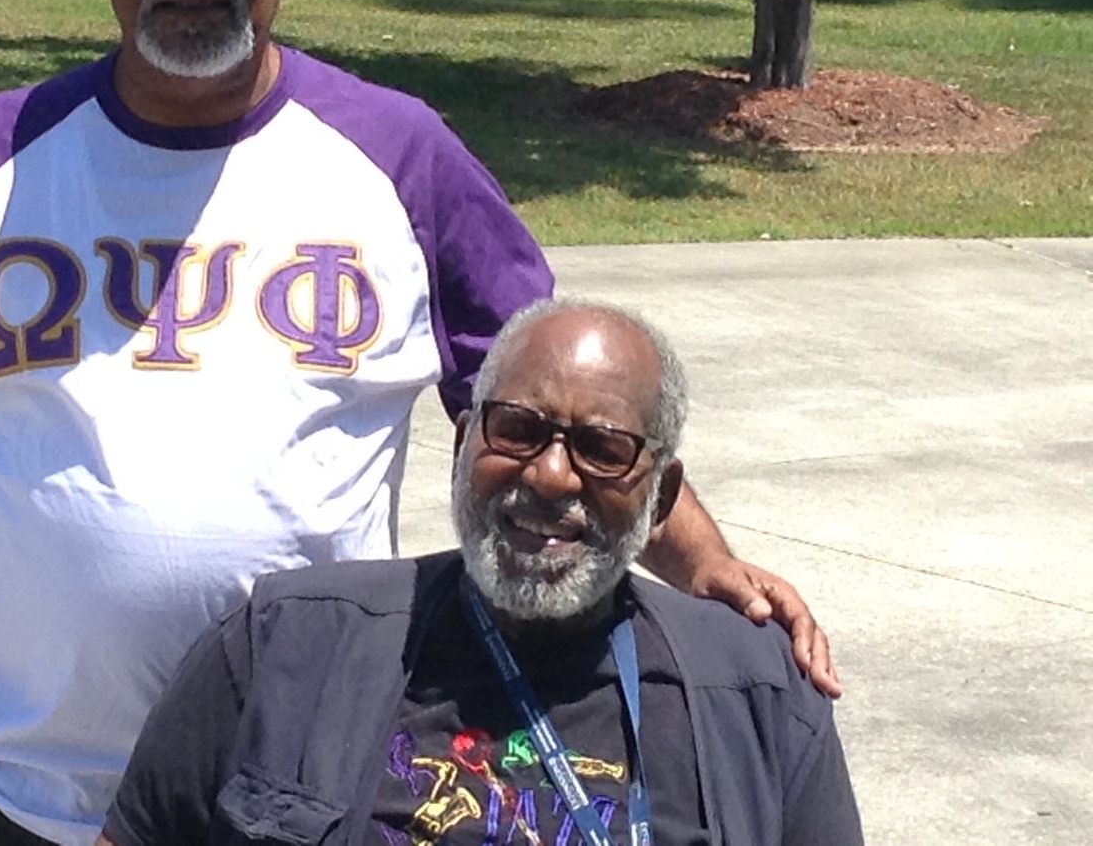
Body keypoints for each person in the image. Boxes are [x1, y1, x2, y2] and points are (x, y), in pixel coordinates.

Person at [0, 0, 837, 846]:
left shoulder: (400, 159)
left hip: (289, 790)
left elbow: (557, 409)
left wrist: (705, 563)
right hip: (26, 786)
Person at [99, 299, 862, 846]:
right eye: (518, 429)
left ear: (660, 495)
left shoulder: (758, 696)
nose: (552, 474)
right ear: (463, 447)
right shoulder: (283, 642)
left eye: (602, 449)